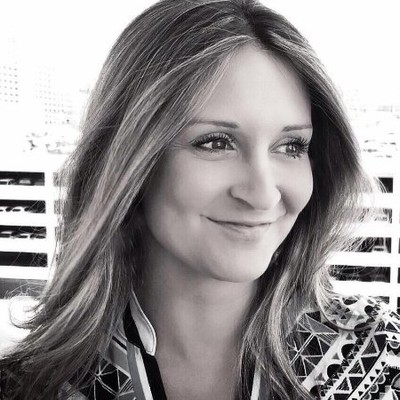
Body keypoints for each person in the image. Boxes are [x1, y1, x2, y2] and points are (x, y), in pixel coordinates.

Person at [1, 0, 400, 399]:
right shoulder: (27, 387)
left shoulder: (386, 356)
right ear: (130, 160)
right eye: (216, 142)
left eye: (291, 146)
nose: (263, 194)